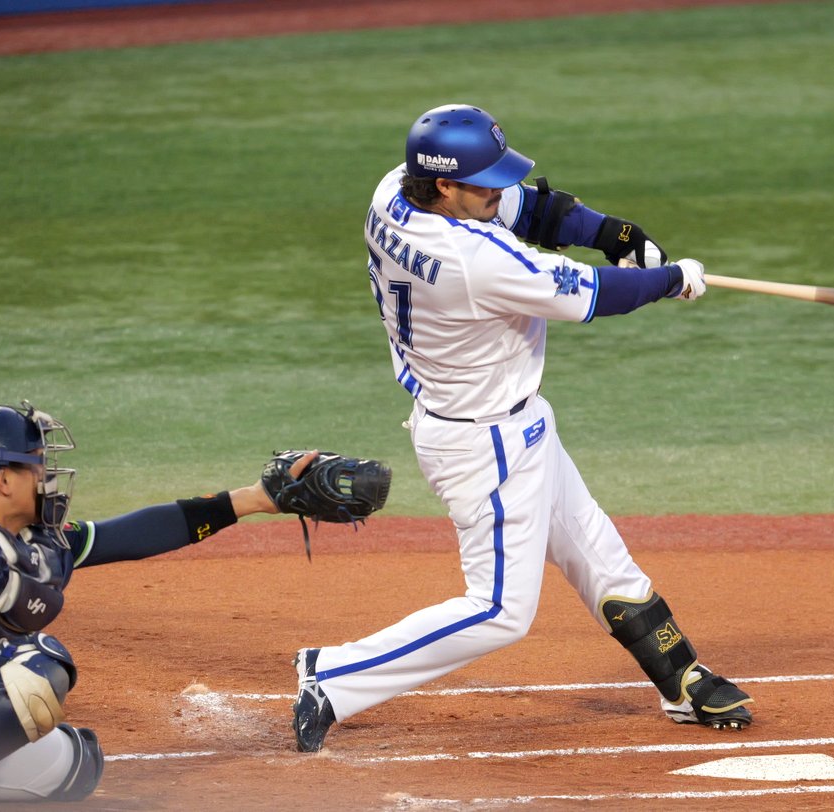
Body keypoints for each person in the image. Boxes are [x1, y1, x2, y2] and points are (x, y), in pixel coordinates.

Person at [291, 103, 753, 753]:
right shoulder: (472, 260)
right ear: (446, 186)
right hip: (481, 444)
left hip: (512, 418)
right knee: (499, 611)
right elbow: (595, 295)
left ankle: (680, 679)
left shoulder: (396, 191)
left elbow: (533, 210)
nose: (497, 192)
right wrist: (671, 280)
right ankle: (333, 676)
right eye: (484, 183)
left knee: (593, 546)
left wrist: (612, 231)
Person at [0, 401, 316, 810]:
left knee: (76, 765)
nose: (47, 476)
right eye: (35, 463)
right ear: (3, 480)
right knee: (35, 667)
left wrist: (252, 499)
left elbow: (128, 535)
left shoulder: (33, 543)